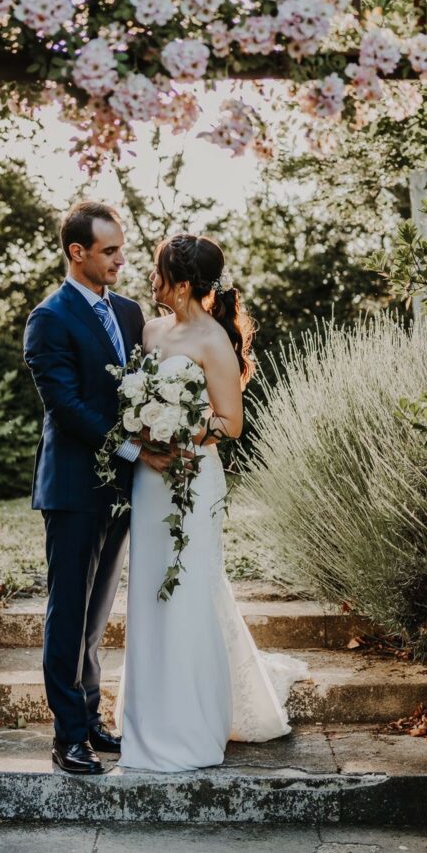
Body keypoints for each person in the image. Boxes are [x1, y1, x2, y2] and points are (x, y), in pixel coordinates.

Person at [115, 233, 307, 772]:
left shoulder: (215, 342)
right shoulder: (150, 331)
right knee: (152, 593)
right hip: (149, 483)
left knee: (188, 593)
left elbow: (231, 424)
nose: (149, 281)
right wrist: (144, 431)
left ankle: (192, 726)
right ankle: (146, 719)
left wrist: (180, 431)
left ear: (179, 285)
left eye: (157, 273)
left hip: (192, 482)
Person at [22, 201, 172, 776]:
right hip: (73, 488)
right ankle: (67, 738)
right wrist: (136, 449)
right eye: (108, 251)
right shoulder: (49, 318)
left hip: (122, 488)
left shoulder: (131, 313)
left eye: (121, 248)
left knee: (97, 611)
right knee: (68, 612)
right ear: (76, 252)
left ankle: (89, 719)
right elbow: (67, 408)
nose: (120, 259)